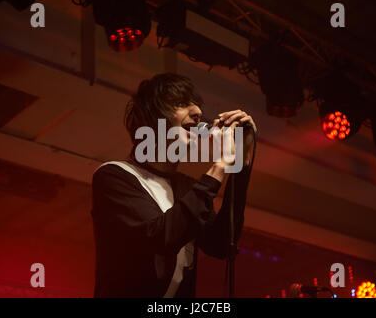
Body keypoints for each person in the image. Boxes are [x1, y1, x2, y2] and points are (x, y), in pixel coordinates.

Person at [91, 73, 256, 297]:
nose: (198, 112)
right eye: (181, 103)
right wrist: (220, 164)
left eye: (197, 105)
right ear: (152, 119)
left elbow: (220, 245)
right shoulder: (114, 176)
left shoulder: (186, 188)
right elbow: (162, 237)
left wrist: (241, 164)